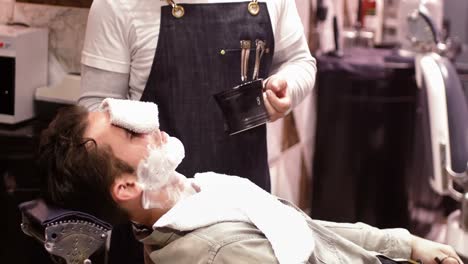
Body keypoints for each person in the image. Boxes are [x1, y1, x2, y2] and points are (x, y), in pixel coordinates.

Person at [38, 101, 463, 264]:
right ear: (127, 187)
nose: (151, 123)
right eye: (132, 132)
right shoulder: (219, 252)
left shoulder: (204, 192)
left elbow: (307, 231)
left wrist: (405, 245)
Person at [79, 0, 316, 192]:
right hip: (152, 218)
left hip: (247, 208)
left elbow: (298, 61)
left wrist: (287, 88)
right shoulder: (116, 6)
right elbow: (94, 115)